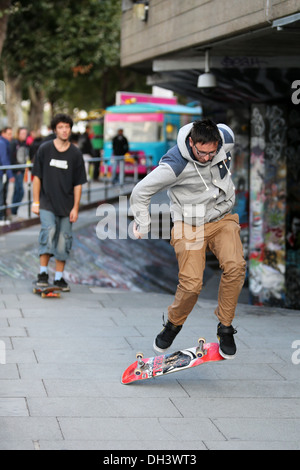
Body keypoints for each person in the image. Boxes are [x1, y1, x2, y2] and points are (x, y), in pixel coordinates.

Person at [130, 119, 246, 360]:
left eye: (211, 153)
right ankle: (173, 324)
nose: (206, 158)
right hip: (189, 223)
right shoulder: (175, 164)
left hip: (222, 218)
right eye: (201, 153)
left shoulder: (226, 140)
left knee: (235, 267)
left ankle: (225, 326)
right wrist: (143, 222)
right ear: (191, 142)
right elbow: (141, 191)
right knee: (192, 284)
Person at [32, 113, 87, 291]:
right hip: (47, 202)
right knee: (48, 232)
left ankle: (59, 278)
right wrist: (35, 202)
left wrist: (76, 208)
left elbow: (79, 183)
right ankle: (42, 273)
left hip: (67, 205)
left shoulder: (75, 154)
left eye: (67, 127)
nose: (64, 130)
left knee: (64, 240)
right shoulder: (45, 149)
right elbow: (36, 177)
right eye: (61, 127)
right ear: (55, 129)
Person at [10, 127, 29, 215]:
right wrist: (15, 169)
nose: (24, 135)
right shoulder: (14, 143)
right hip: (16, 170)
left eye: (25, 133)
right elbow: (11, 157)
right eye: (22, 133)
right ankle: (13, 211)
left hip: (21, 170)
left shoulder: (24, 143)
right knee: (19, 191)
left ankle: (14, 211)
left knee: (18, 191)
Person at [0, 127, 14, 223]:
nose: (11, 136)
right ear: (3, 133)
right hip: (2, 173)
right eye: (8, 134)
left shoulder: (4, 143)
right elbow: (4, 160)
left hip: (2, 173)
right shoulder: (2, 143)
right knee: (1, 194)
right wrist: (10, 174)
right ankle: (1, 217)